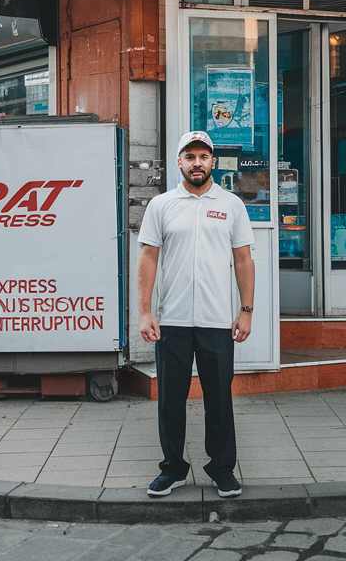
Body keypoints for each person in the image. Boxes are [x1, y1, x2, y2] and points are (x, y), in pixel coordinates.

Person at [137, 130, 255, 499]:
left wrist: (246, 311)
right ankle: (172, 469)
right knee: (171, 399)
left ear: (213, 162)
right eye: (190, 157)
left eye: (203, 156)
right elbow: (147, 258)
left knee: (218, 398)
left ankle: (222, 470)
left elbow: (243, 259)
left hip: (218, 321)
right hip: (171, 320)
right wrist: (145, 313)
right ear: (179, 163)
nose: (197, 163)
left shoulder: (232, 204)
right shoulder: (162, 205)